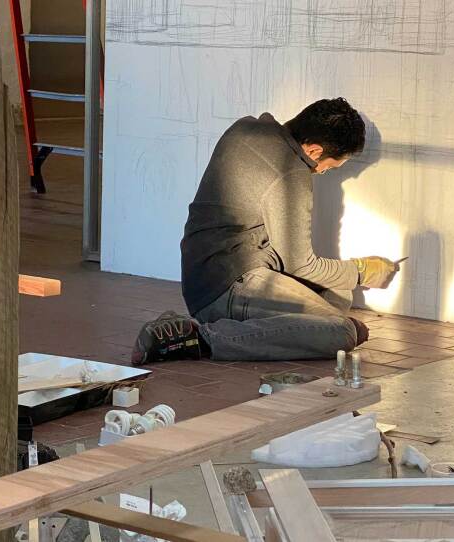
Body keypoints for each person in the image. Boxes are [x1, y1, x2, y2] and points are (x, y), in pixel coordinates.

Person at [131, 98, 401, 365]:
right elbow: (302, 267)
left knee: (338, 294)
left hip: (202, 274)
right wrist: (361, 271)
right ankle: (197, 339)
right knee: (341, 332)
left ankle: (193, 325)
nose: (322, 173)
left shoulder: (246, 128)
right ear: (316, 151)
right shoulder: (291, 173)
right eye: (329, 167)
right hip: (228, 284)